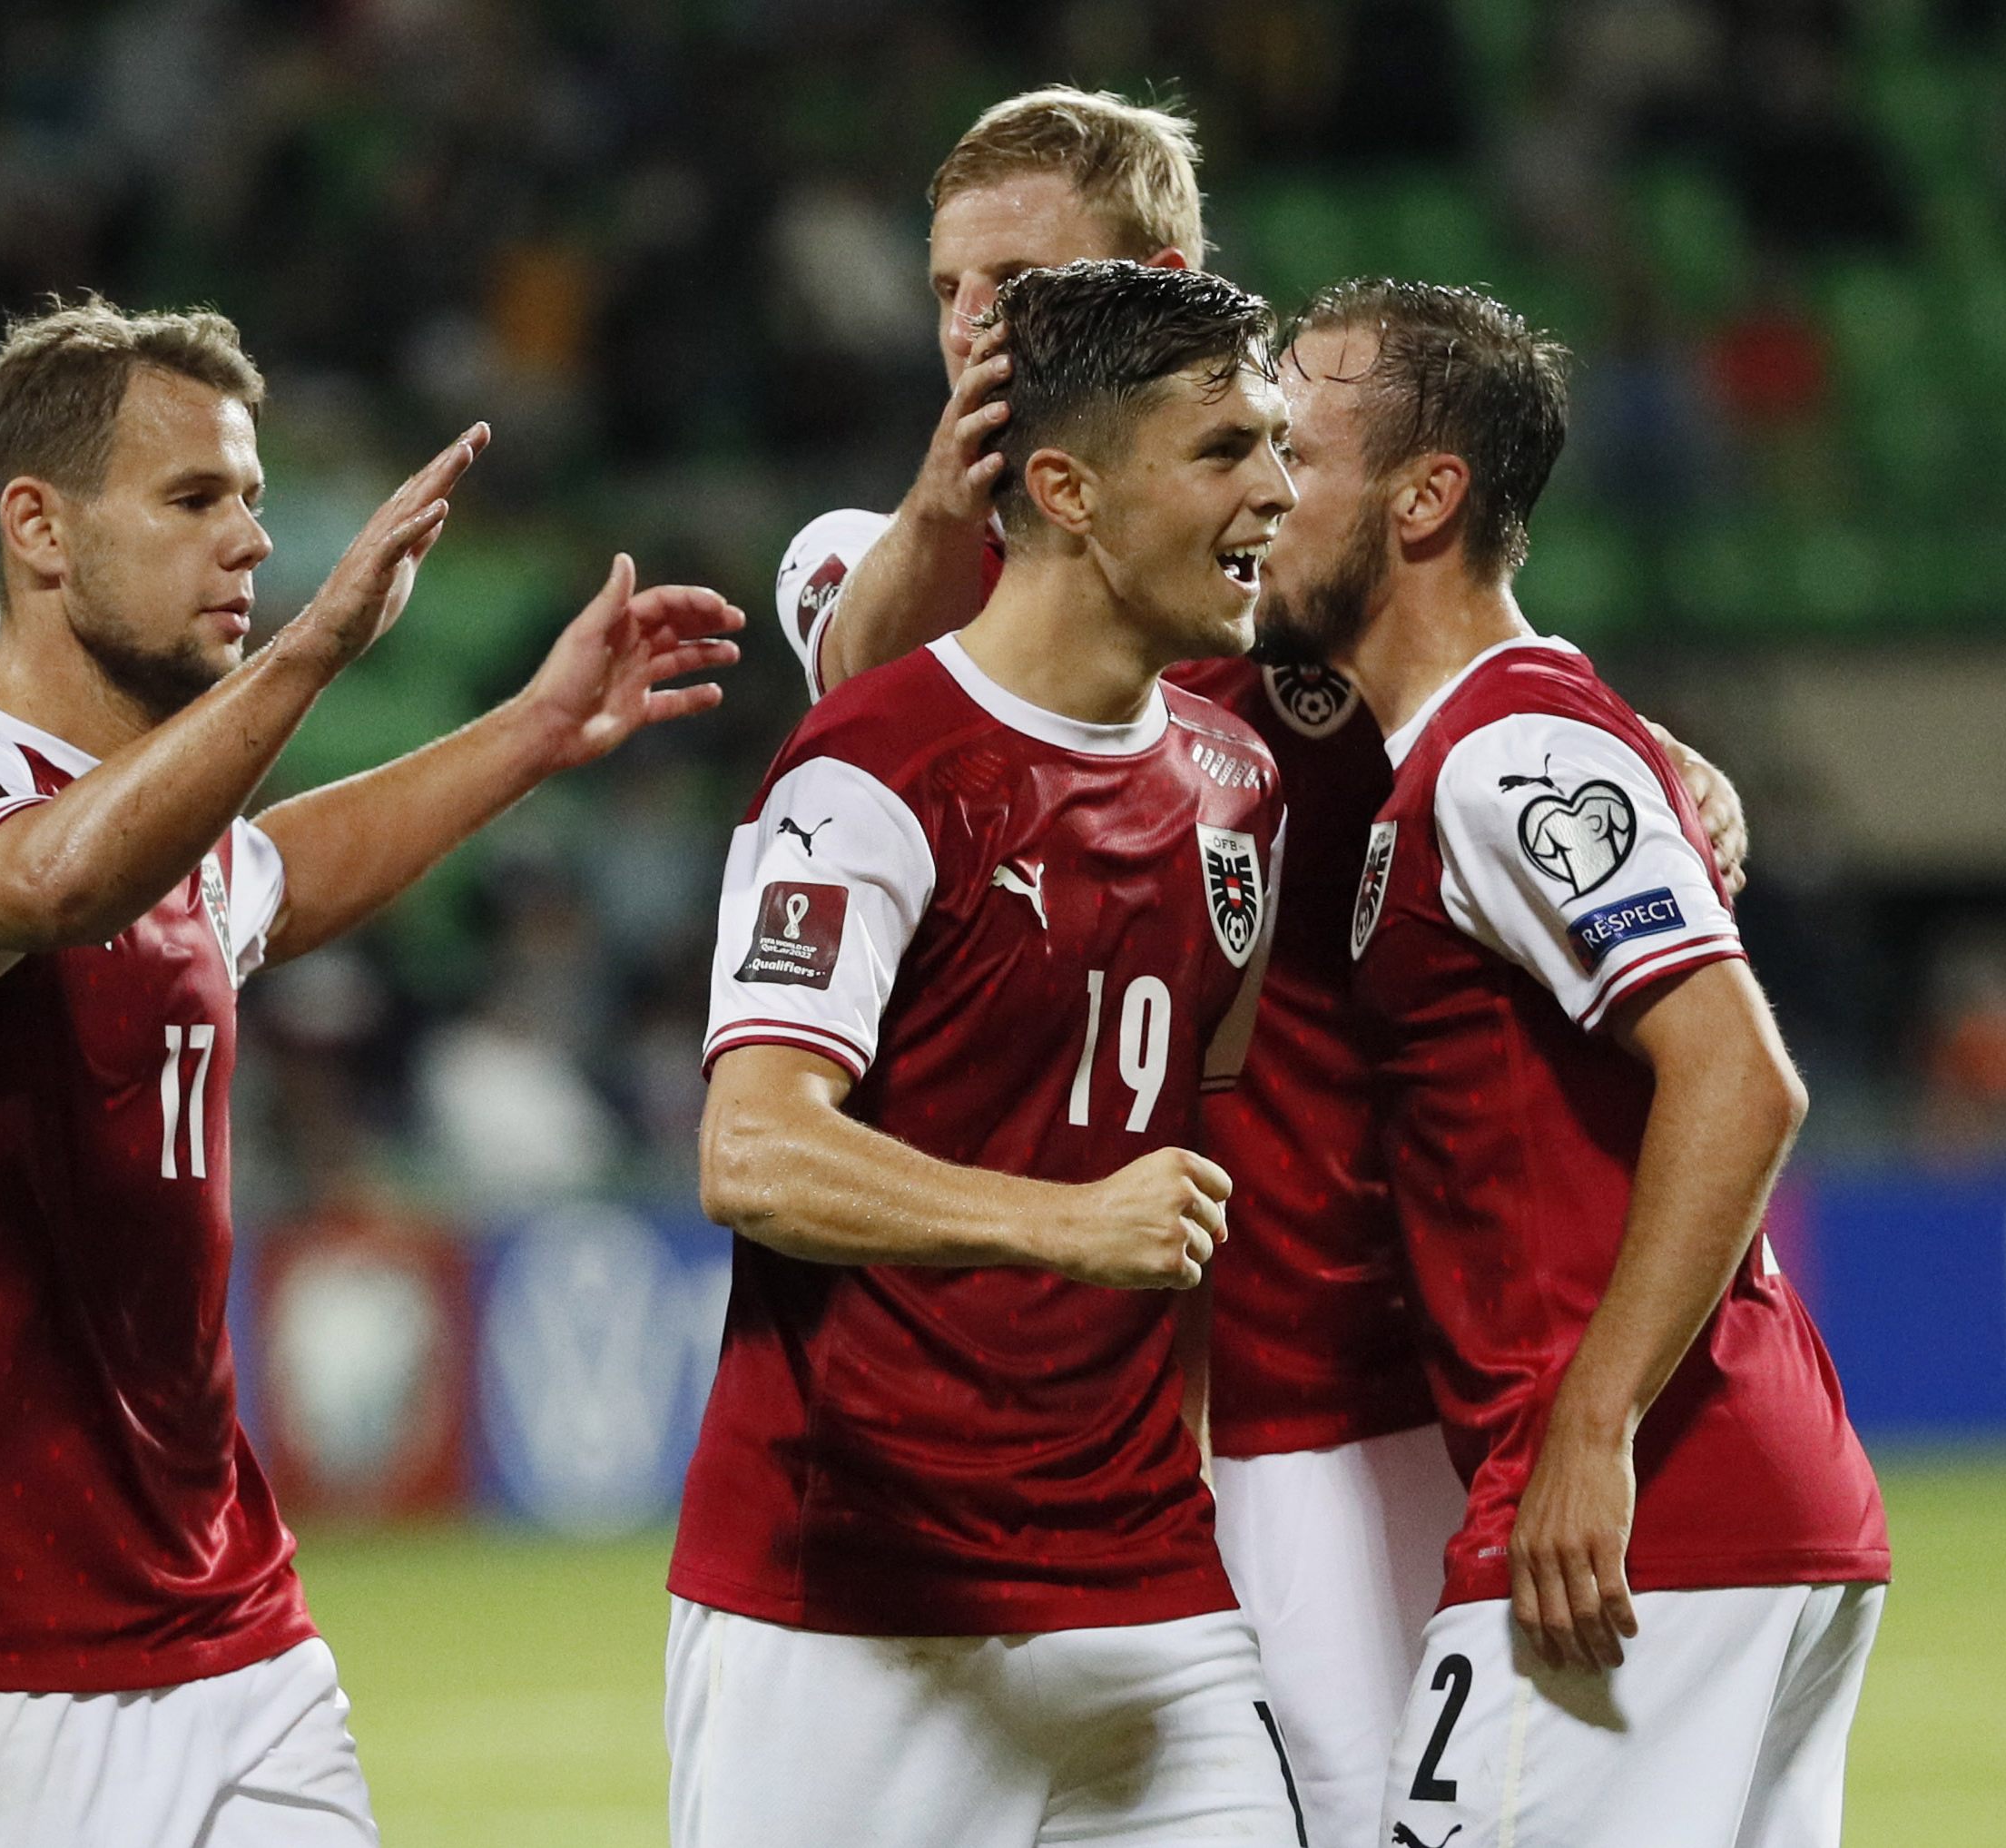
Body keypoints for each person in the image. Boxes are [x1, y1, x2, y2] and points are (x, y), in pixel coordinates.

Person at [771, 84, 1751, 1843]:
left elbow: (1475, 658)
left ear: (1156, 277)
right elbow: (860, 699)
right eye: (944, 288)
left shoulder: (1269, 582)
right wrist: (948, 494)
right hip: (1096, 1406)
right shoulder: (878, 561)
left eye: (1016, 279)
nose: (969, 326)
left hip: (1367, 1369)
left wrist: (1647, 748)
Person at [0, 297, 741, 1848]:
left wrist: (532, 730)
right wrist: (311, 654)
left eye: (253, 500)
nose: (247, 539)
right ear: (38, 528)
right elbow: (61, 882)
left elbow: (268, 876)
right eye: (191, 500)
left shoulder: (163, 838)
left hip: (231, 1623)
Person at [674, 261, 1301, 1848]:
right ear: (1070, 489)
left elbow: (1199, 1156)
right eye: (1226, 450)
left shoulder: (1235, 782)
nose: (1278, 493)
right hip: (860, 1601)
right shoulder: (873, 771)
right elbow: (751, 1149)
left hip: (1148, 1587)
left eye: (1277, 446)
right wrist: (1063, 1219)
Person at [1257, 278, 1888, 1847]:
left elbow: (1743, 1081)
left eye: (1295, 455)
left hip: (1635, 1526)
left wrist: (1589, 1430)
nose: (1261, 493)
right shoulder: (1525, 734)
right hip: (1748, 1519)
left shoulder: (1504, 759)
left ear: (1425, 497)